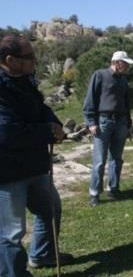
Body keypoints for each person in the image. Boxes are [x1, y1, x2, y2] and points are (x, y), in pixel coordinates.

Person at [0, 35, 73, 276]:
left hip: (35, 165)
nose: (35, 60)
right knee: (11, 233)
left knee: (50, 209)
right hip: (8, 173)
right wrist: (46, 131)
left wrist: (54, 123)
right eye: (29, 57)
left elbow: (41, 108)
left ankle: (42, 255)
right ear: (10, 60)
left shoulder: (25, 80)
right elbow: (7, 132)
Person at [83, 51, 133, 207]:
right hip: (103, 121)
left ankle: (113, 188)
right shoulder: (99, 75)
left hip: (120, 122)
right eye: (125, 64)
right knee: (99, 160)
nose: (127, 67)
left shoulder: (123, 81)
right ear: (117, 62)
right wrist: (91, 122)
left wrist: (128, 124)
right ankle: (94, 193)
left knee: (116, 158)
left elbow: (127, 104)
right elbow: (90, 99)